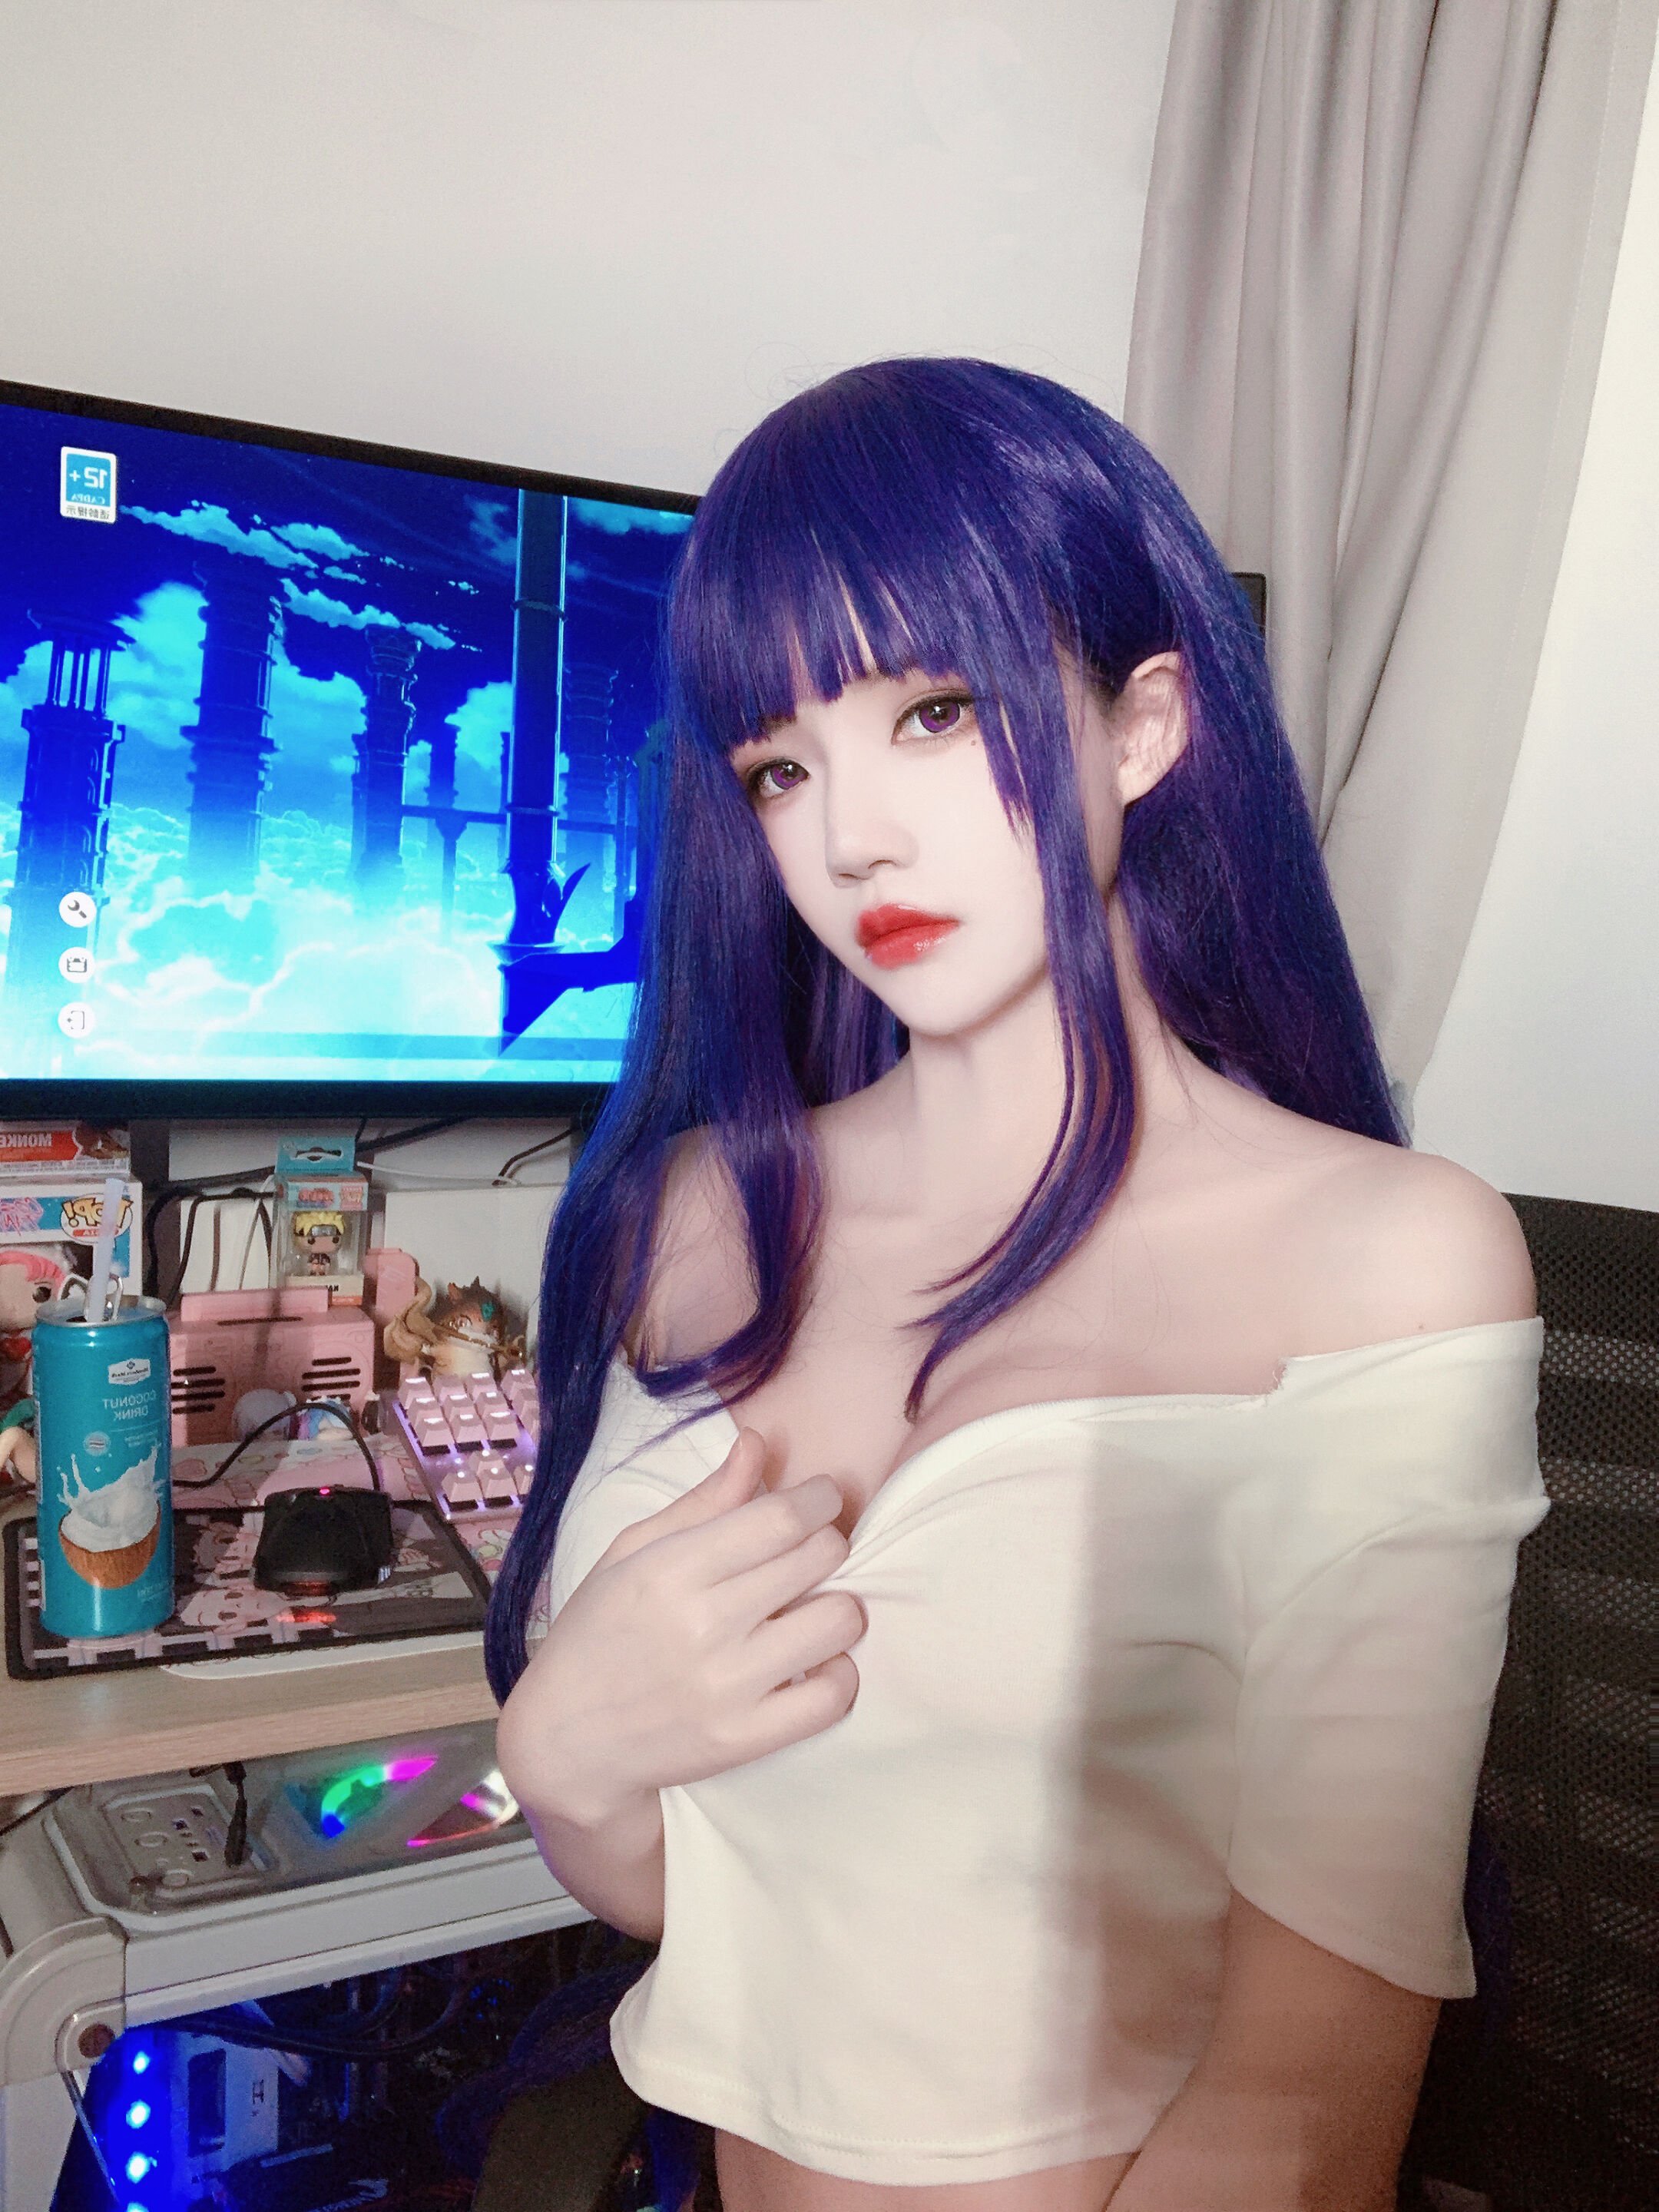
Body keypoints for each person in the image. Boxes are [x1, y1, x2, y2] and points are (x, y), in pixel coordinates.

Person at [489, 359, 1547, 2212]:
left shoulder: (1385, 1261)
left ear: (1144, 727)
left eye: (937, 710)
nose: (851, 839)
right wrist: (566, 1767)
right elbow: (732, 1902)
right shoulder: (694, 1217)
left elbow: (1301, 2119)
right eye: (781, 766)